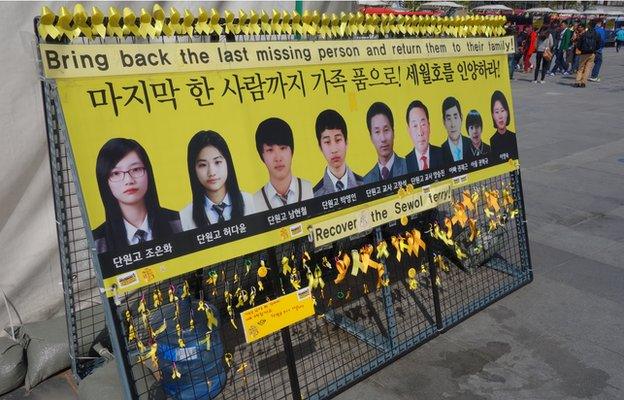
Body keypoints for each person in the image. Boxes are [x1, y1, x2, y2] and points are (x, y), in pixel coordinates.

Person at [93, 138, 181, 254]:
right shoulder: (97, 241)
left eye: (136, 169)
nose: (129, 180)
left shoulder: (180, 222)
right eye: (116, 173)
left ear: (148, 172)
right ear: (105, 181)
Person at [180, 131, 254, 231]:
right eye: (202, 165)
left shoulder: (251, 202)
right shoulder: (184, 217)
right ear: (193, 170)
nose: (211, 172)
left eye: (217, 162)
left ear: (228, 163)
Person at [253, 118, 313, 211]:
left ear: (292, 151)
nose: (278, 158)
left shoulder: (311, 190)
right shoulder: (254, 203)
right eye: (270, 150)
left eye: (283, 148)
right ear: (262, 156)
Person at [313, 109, 363, 196]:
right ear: (320, 146)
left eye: (338, 140)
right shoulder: (314, 196)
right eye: (327, 142)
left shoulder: (365, 184)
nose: (334, 149)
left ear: (346, 141)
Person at [362, 102, 407, 184]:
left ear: (393, 132)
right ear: (371, 137)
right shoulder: (366, 181)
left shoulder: (410, 167)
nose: (383, 139)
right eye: (377, 132)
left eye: (386, 130)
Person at [404, 100, 443, 172]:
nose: (420, 132)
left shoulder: (444, 154)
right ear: (409, 130)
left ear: (429, 126)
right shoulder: (404, 164)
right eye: (415, 126)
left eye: (423, 124)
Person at [440, 97, 473, 164]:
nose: (453, 125)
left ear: (461, 118)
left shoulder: (472, 144)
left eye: (455, 117)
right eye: (448, 119)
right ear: (444, 122)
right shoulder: (440, 152)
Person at [489, 91, 518, 161]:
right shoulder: (491, 141)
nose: (500, 116)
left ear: (507, 112)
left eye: (502, 110)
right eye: (496, 112)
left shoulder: (513, 137)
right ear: (493, 115)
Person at [574, 20, 601, 88]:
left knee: (580, 68)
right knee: (588, 69)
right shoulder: (597, 34)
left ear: (588, 26)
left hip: (583, 53)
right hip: (592, 53)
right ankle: (583, 83)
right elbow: (599, 44)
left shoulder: (584, 34)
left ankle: (577, 82)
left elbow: (579, 44)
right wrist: (594, 49)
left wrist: (580, 49)